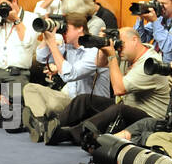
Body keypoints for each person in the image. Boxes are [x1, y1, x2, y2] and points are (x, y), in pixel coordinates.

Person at [54, 26, 172, 146]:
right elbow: (100, 63)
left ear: (135, 40)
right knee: (84, 99)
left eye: (122, 44)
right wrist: (102, 45)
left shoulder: (150, 62)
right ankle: (53, 126)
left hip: (149, 119)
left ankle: (68, 135)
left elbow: (119, 89)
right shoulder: (128, 55)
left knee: (119, 109)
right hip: (128, 108)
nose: (119, 49)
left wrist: (111, 55)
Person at [21, 12, 108, 144]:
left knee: (52, 104)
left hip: (89, 108)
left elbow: (70, 75)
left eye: (66, 29)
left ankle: (45, 123)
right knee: (30, 88)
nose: (63, 32)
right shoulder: (68, 47)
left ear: (80, 28)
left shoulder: (94, 51)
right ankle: (42, 124)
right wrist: (46, 37)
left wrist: (53, 45)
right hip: (70, 101)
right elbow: (41, 57)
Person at [0, 0, 39, 129]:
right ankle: (2, 103)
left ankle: (3, 106)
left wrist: (17, 21)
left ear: (14, 1)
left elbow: (28, 42)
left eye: (4, 5)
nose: (2, 8)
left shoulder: (32, 18)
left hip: (17, 72)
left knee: (18, 99)